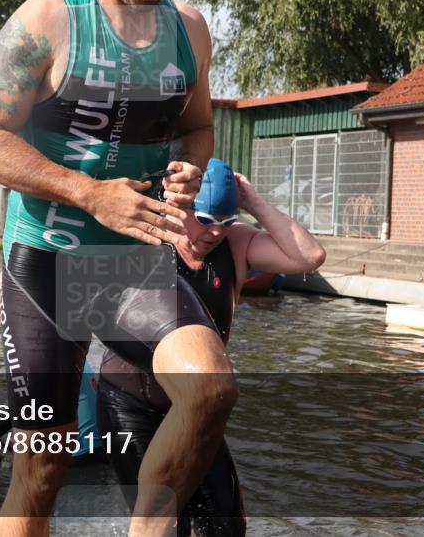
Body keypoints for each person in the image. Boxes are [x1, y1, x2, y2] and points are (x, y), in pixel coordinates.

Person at [0, 0, 229, 534]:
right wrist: (88, 193)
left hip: (127, 263)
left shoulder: (188, 31)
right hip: (47, 258)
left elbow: (196, 125)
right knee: (43, 470)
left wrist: (189, 169)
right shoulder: (50, 19)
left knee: (211, 386)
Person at [98, 159, 326, 535]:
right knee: (164, 521)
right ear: (178, 205)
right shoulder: (147, 237)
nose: (215, 232)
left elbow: (310, 257)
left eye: (225, 221)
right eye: (204, 219)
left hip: (196, 407)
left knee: (226, 528)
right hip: (130, 404)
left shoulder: (235, 243)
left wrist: (253, 203)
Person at [0, 272, 104, 467]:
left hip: (75, 459)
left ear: (5, 302)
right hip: (99, 449)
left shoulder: (29, 343)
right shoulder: (48, 335)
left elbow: (23, 404)